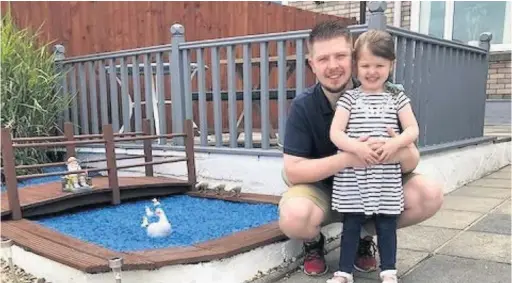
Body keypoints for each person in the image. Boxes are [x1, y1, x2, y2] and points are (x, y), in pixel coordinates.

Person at [279, 20, 444, 277]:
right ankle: (313, 243)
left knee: (429, 194)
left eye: (340, 56)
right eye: (323, 59)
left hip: (372, 186)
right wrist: (347, 159)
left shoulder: (386, 95)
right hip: (323, 190)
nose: (333, 66)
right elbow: (293, 172)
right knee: (294, 217)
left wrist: (392, 148)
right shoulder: (303, 106)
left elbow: (412, 160)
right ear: (312, 64)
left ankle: (362, 237)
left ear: (353, 59)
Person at [326, 30, 418, 283]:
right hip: (355, 174)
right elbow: (335, 133)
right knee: (351, 222)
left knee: (387, 222)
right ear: (356, 66)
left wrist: (395, 143)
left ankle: (389, 270)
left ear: (391, 65)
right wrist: (355, 148)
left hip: (385, 173)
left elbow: (412, 129)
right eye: (365, 65)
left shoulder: (397, 97)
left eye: (379, 65)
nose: (372, 71)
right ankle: (344, 271)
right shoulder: (349, 98)